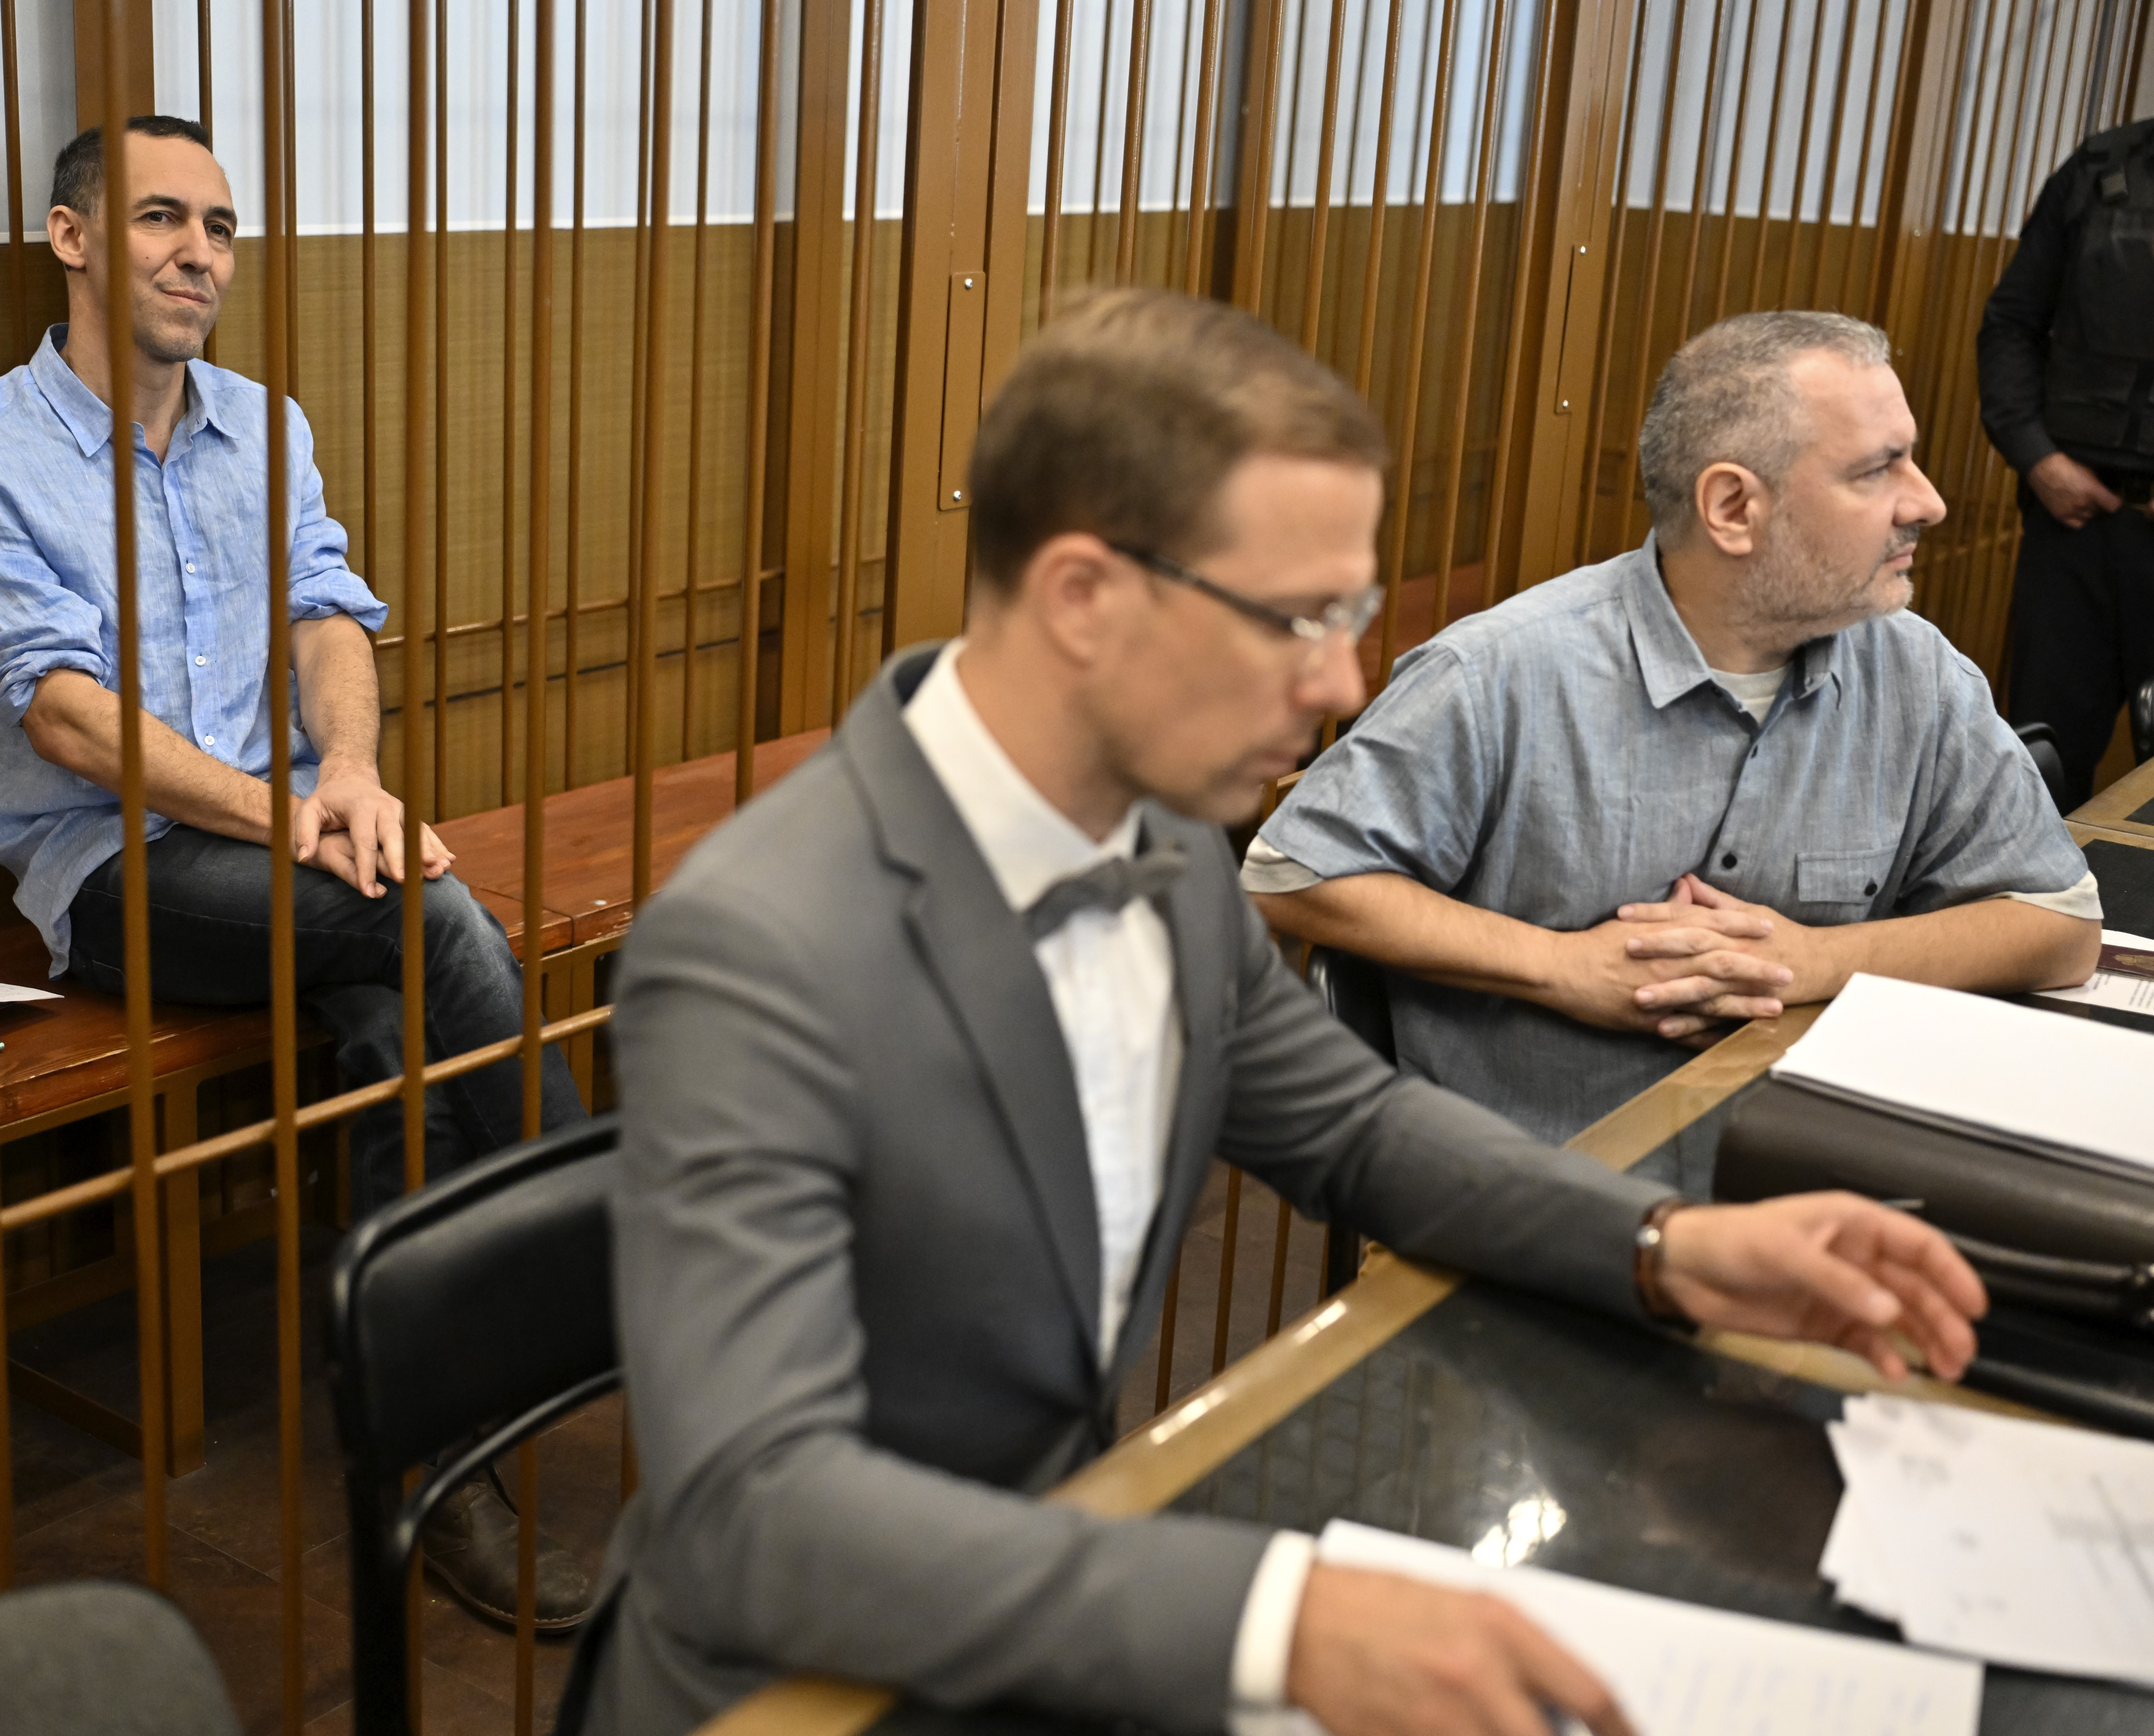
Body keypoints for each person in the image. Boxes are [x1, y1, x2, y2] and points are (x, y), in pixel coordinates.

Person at [576, 289, 1988, 1736]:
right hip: (797, 1680)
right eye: (1298, 620)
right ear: (1083, 596)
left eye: (1353, 613)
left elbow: (1357, 1130)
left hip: (1062, 1583)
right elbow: (759, 1513)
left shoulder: (1166, 843)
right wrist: (1279, 1613)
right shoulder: (760, 941)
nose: (1341, 681)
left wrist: (1667, 1245)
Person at [0, 114, 590, 1631]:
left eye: (217, 226)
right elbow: (69, 718)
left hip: (299, 845)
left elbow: (331, 612)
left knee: (394, 1019)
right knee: (417, 908)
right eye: (160, 219)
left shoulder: (262, 424)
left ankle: (423, 1450)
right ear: (73, 238)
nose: (198, 254)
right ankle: (605, 1233)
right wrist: (304, 828)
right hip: (115, 873)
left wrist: (346, 775)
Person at [1247, 311, 2100, 1146]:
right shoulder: (1501, 673)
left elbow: (2059, 925)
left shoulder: (1919, 675)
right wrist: (1565, 968)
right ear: (1733, 507)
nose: (1930, 502)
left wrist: (1812, 960)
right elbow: (1290, 873)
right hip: (1530, 1201)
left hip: (1803, 1186)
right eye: (1878, 470)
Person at [1980, 115, 2154, 813]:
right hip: (2075, 521)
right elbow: (2011, 325)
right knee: (2038, 764)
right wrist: (2037, 457)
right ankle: (2027, 920)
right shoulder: (2099, 167)